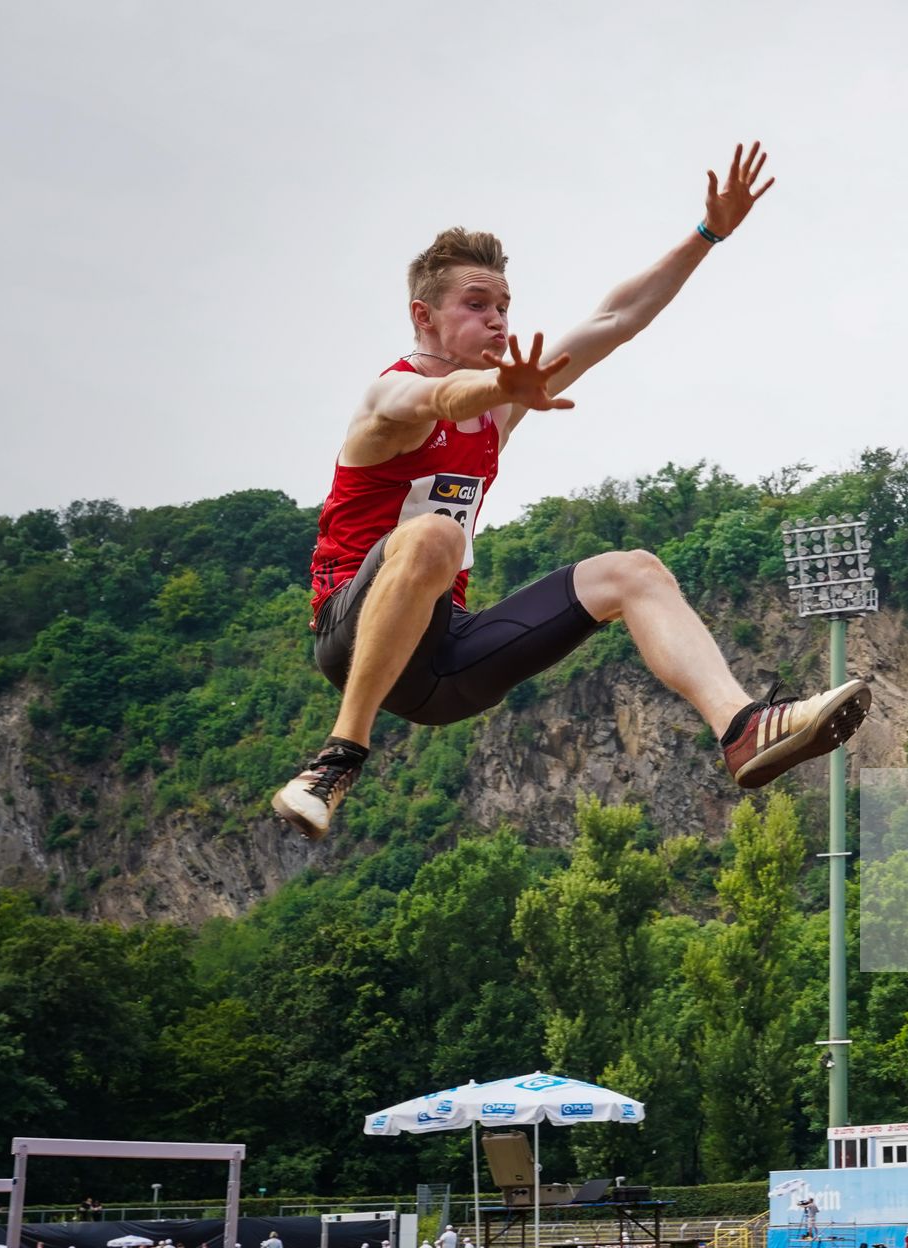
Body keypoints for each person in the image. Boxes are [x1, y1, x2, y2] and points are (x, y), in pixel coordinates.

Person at [273, 143, 870, 838]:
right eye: (476, 304)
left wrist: (708, 235)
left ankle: (742, 728)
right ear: (424, 316)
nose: (498, 319)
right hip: (351, 636)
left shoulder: (503, 403)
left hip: (444, 666)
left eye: (504, 305)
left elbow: (616, 320)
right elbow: (437, 397)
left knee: (634, 571)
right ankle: (338, 758)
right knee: (437, 534)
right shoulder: (391, 394)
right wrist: (500, 384)